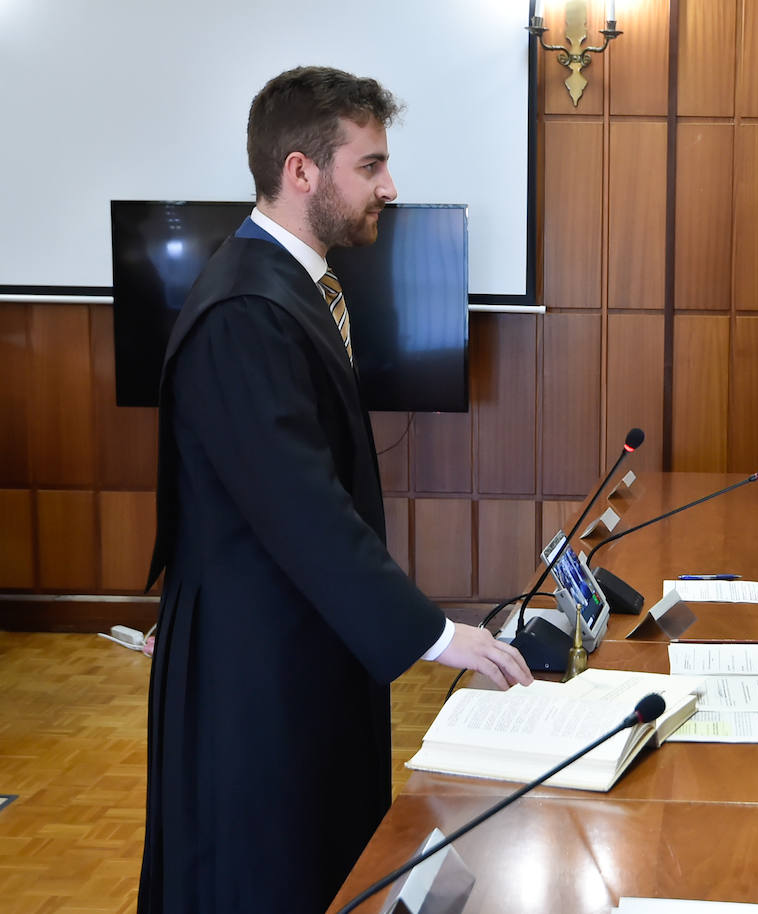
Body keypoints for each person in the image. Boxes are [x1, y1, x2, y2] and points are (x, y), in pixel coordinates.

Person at [139, 66, 532, 914]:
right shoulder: (245, 309)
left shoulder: (291, 283)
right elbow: (302, 508)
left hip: (295, 633)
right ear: (301, 171)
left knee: (322, 857)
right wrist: (433, 634)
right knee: (262, 869)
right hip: (253, 661)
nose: (390, 188)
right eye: (371, 165)